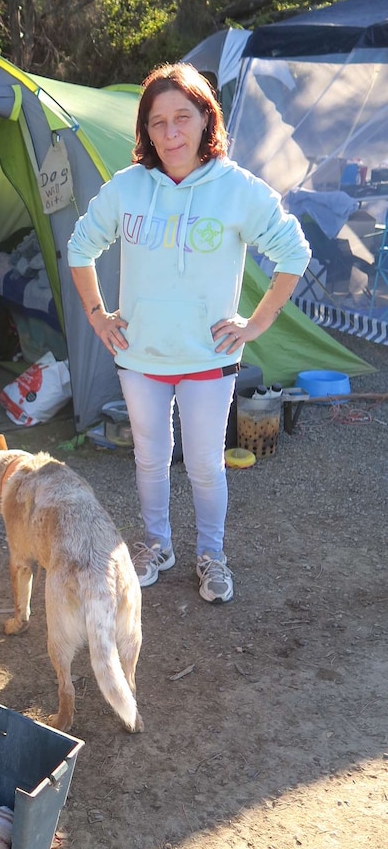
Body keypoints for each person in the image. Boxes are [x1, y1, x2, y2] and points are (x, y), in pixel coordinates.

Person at [67, 62, 310, 604]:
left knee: (203, 462)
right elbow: (79, 247)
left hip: (208, 354)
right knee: (150, 457)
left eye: (183, 117)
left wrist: (257, 323)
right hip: (141, 354)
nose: (171, 133)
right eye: (158, 122)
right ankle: (157, 545)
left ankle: (211, 554)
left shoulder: (237, 189)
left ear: (206, 119)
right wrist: (97, 315)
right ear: (145, 131)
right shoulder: (128, 188)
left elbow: (294, 252)